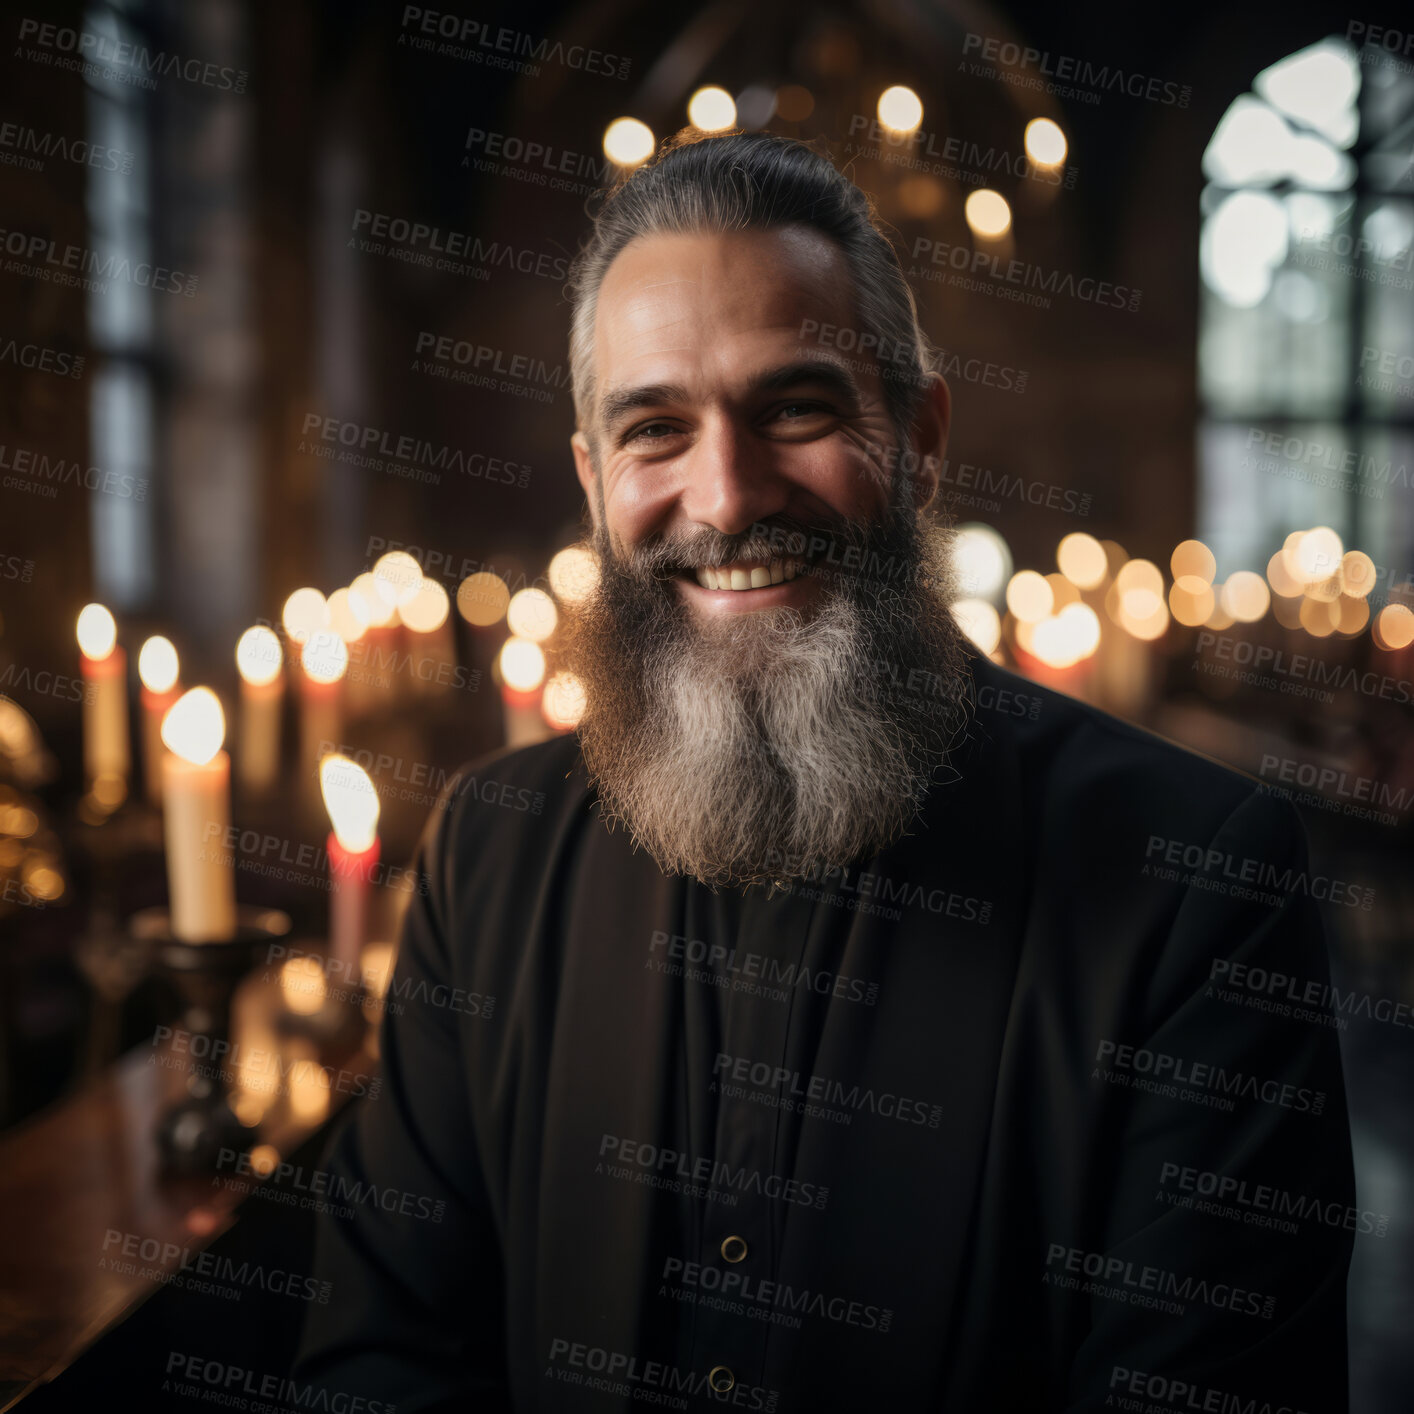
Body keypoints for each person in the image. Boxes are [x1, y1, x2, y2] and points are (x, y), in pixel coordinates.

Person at [294, 132, 1355, 1413]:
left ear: (920, 437)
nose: (727, 496)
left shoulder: (1197, 882)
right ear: (593, 482)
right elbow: (381, 1354)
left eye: (793, 407)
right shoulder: (489, 850)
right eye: (655, 428)